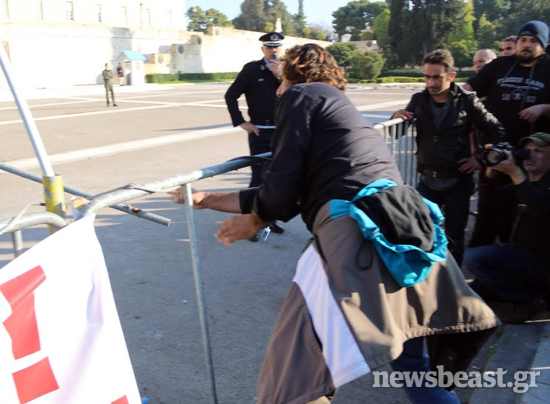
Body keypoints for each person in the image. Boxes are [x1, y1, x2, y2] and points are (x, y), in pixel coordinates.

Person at [172, 44, 498, 404]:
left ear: (293, 75)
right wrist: (208, 200)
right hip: (404, 226)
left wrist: (255, 220)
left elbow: (280, 188)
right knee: (412, 366)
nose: (278, 91)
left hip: (356, 231)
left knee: (295, 372)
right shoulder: (338, 111)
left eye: (281, 80)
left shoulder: (301, 95)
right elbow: (293, 192)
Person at [392, 49, 505, 265]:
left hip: (457, 181)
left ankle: (453, 287)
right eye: (427, 77)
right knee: (421, 234)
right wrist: (396, 117)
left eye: (437, 77)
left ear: (451, 76)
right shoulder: (419, 99)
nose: (431, 83)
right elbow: (397, 132)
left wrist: (480, 159)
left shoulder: (467, 100)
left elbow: (497, 129)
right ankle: (426, 283)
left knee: (454, 238)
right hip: (427, 180)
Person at [464, 20, 550, 247]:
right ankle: (480, 270)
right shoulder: (500, 65)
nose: (527, 45)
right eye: (523, 40)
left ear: (544, 45)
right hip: (496, 153)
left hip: (532, 158)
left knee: (520, 216)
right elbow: (469, 88)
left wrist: (543, 108)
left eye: (533, 41)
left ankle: (513, 265)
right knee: (488, 212)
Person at [466, 132, 550, 323]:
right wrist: (489, 171)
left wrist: (515, 173)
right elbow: (491, 200)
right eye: (527, 151)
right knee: (473, 290)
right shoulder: (527, 184)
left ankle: (529, 299)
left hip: (542, 263)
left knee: (474, 257)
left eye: (538, 151)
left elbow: (539, 207)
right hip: (522, 258)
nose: (530, 155)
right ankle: (525, 299)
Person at [224, 31, 285, 239]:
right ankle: (250, 223)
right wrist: (241, 122)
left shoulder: (287, 71)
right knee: (258, 178)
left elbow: (298, 94)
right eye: (269, 47)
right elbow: (231, 95)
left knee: (278, 178)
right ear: (263, 49)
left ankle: (269, 219)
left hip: (282, 132)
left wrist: (282, 76)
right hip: (259, 132)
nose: (273, 50)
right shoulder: (251, 69)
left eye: (276, 47)